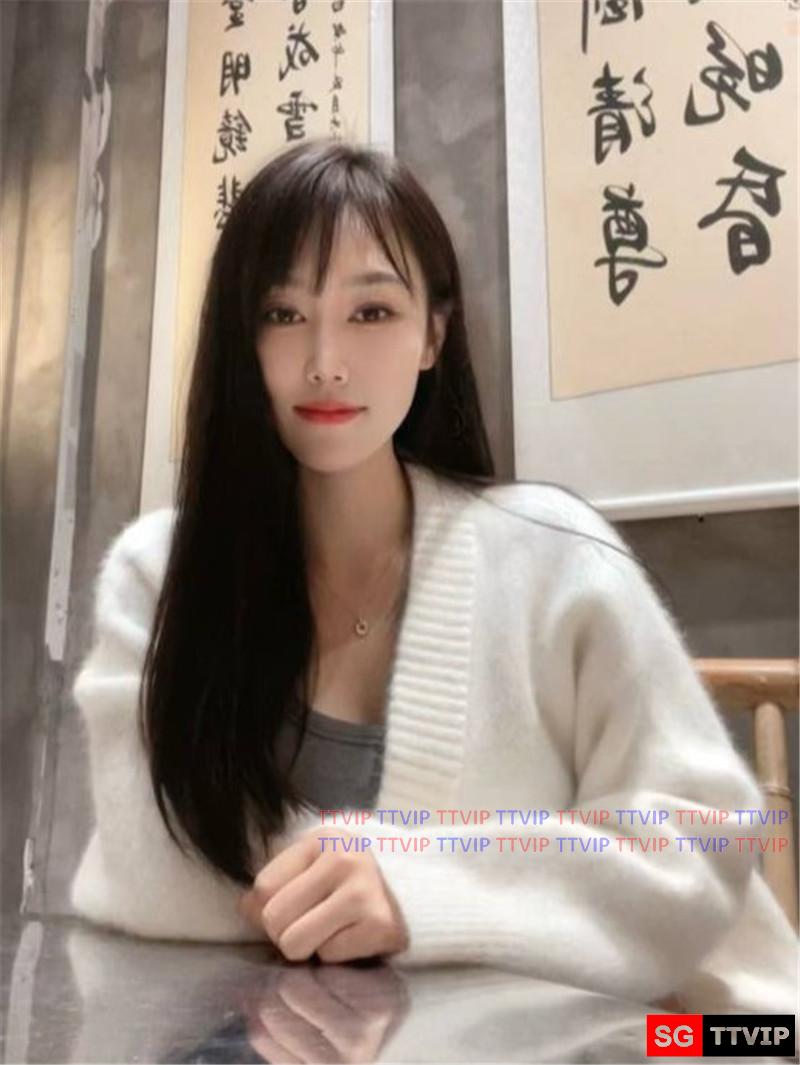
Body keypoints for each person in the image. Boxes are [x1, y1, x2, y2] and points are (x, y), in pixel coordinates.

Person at [70, 138, 797, 1012]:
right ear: (240, 338)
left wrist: (423, 887)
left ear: (433, 334)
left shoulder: (557, 559)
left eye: (371, 311)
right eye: (283, 312)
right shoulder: (158, 576)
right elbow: (142, 875)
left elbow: (698, 840)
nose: (326, 360)